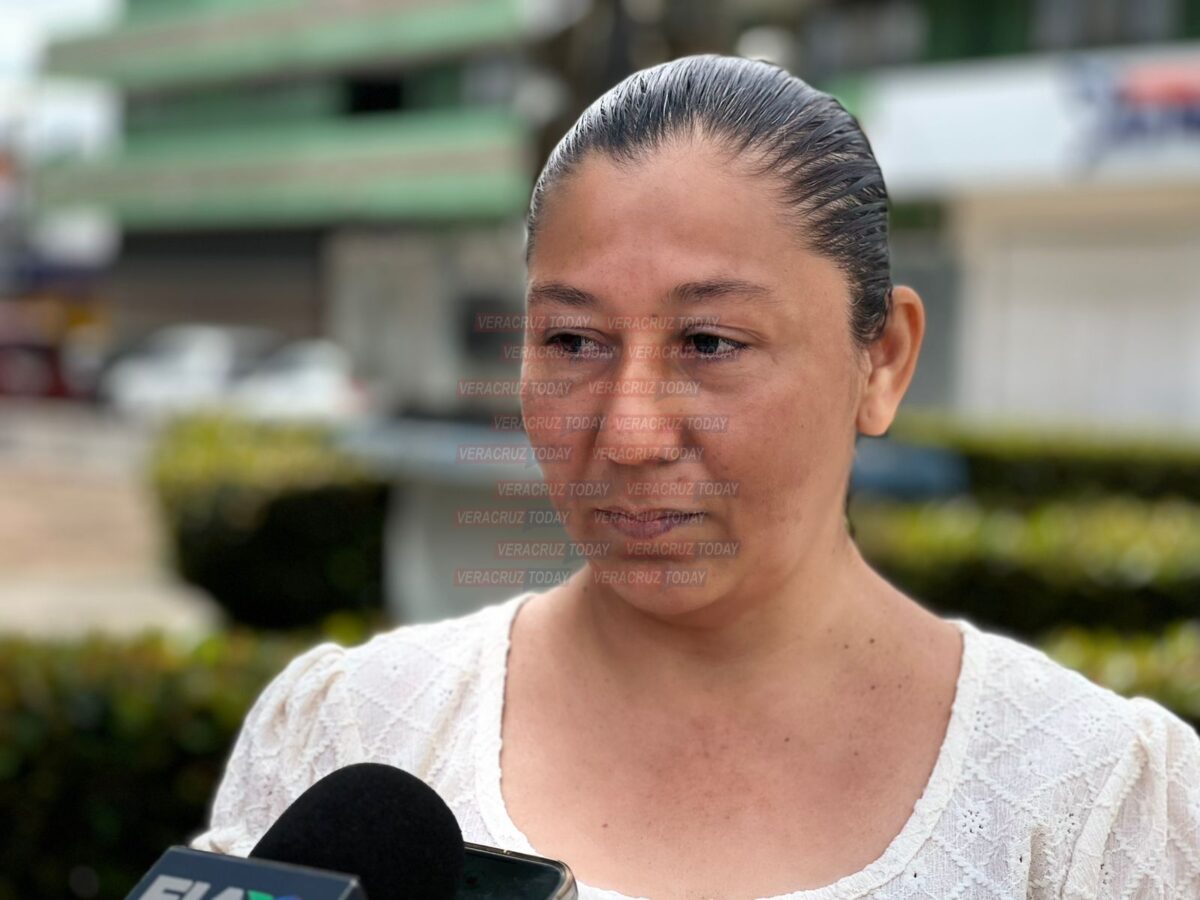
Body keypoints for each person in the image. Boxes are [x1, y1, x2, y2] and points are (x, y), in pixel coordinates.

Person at [190, 55, 1200, 899]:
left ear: (883, 360)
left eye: (711, 342)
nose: (630, 433)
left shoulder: (1095, 806)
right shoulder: (350, 732)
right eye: (573, 341)